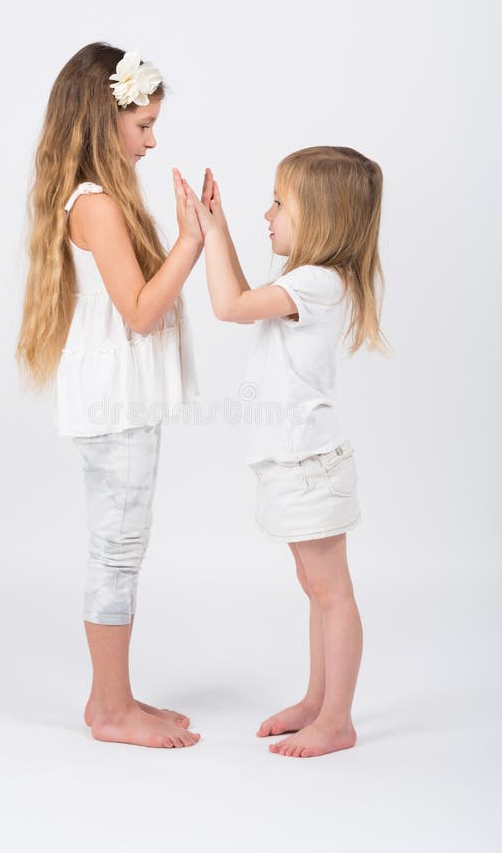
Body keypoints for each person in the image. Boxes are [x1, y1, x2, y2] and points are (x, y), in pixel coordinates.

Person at [16, 43, 202, 749]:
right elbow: (140, 312)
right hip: (115, 401)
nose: (152, 142)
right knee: (118, 549)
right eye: (143, 127)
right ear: (104, 124)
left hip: (117, 396)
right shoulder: (95, 206)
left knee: (121, 543)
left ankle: (108, 700)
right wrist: (191, 240)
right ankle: (115, 713)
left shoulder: (98, 199)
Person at [176, 148, 390, 757]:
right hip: (295, 465)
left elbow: (229, 306)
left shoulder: (316, 282)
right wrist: (217, 232)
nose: (265, 213)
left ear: (319, 216)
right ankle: (318, 702)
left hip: (309, 467)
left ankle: (337, 720)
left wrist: (212, 232)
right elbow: (243, 296)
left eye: (278, 202)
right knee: (314, 587)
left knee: (331, 592)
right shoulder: (307, 282)